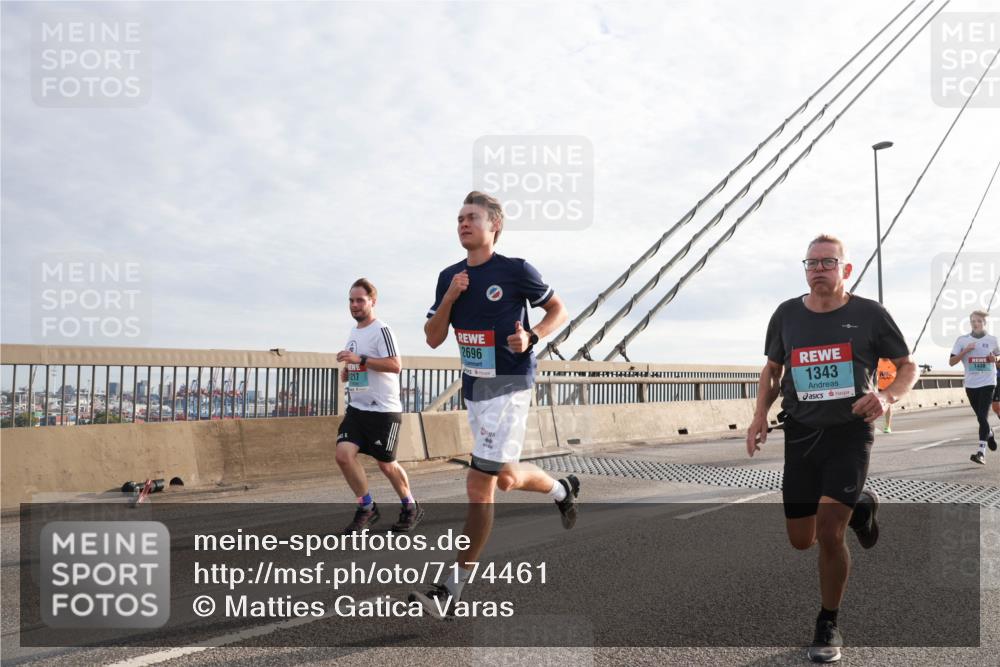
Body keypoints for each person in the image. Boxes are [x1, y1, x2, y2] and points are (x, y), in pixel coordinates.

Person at [746, 234, 918, 664]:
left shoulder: (870, 315)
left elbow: (908, 366)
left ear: (846, 269)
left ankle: (828, 622)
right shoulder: (786, 314)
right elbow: (771, 369)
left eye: (828, 262)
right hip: (801, 435)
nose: (818, 269)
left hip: (849, 434)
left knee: (828, 533)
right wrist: (757, 416)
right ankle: (861, 507)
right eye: (812, 262)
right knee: (800, 539)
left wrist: (886, 397)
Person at [409, 191, 576, 619]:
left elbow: (559, 309)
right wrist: (449, 297)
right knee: (504, 478)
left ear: (494, 225)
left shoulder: (516, 270)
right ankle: (562, 489)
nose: (463, 223)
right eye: (459, 217)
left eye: (472, 217)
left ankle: (450, 588)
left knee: (479, 484)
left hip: (510, 384)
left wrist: (533, 335)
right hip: (475, 389)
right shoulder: (450, 275)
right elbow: (432, 337)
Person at [335, 278, 423, 533]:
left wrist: (359, 358)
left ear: (372, 301)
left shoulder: (382, 329)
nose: (354, 305)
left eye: (360, 300)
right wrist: (349, 370)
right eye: (351, 300)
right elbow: (361, 363)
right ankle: (367, 507)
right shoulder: (354, 332)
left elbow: (395, 365)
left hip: (383, 411)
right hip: (358, 408)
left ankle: (410, 505)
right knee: (343, 456)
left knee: (386, 464)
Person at [948, 310, 999, 465]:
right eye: (973, 321)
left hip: (988, 383)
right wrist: (965, 351)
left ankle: (981, 453)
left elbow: (998, 357)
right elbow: (951, 362)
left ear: (984, 323)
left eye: (979, 321)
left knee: (983, 416)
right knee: (980, 418)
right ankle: (989, 432)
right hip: (971, 385)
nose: (975, 324)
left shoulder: (993, 340)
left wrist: (995, 358)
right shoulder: (962, 340)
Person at [876, 358, 897, 433]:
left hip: (890, 388)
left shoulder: (894, 362)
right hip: (879, 388)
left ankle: (887, 426)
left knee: (888, 405)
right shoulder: (878, 361)